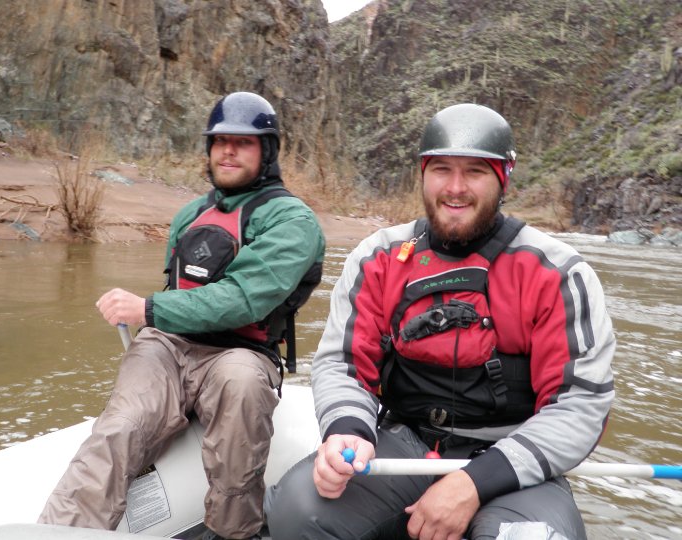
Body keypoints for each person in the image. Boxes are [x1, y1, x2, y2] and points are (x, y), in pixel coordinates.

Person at [265, 103, 615, 540]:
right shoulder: (379, 257)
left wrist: (474, 482)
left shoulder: (559, 272)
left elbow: (580, 403)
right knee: (297, 513)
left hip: (513, 461)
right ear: (423, 175)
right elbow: (344, 363)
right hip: (404, 441)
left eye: (475, 172)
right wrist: (346, 429)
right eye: (441, 169)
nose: (455, 188)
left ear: (503, 178)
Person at [38, 91, 326, 540]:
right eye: (219, 141)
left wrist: (147, 308)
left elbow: (242, 299)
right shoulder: (191, 214)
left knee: (241, 384)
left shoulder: (294, 221)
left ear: (266, 151)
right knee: (121, 427)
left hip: (243, 351)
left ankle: (233, 531)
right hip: (168, 345)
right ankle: (60, 531)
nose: (228, 150)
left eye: (243, 142)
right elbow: (181, 292)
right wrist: (156, 317)